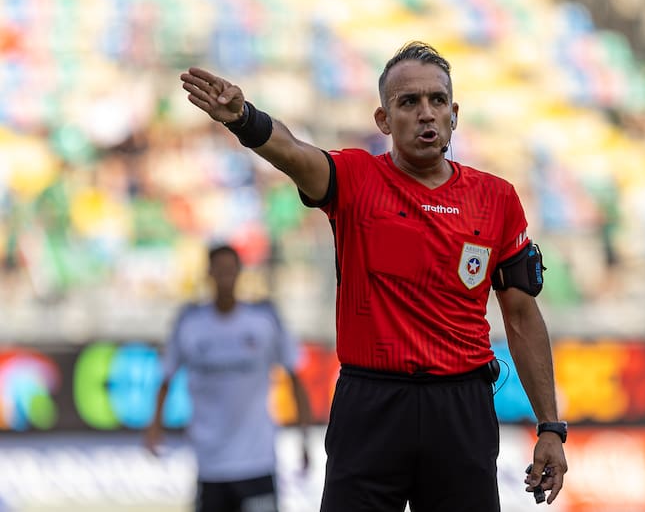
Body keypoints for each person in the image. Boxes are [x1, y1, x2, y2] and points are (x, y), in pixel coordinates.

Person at [178, 41, 568, 511]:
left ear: (454, 113)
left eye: (437, 100)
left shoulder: (496, 199)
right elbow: (293, 152)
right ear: (383, 120)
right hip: (371, 403)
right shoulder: (354, 179)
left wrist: (550, 426)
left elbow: (522, 317)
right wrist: (244, 118)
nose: (426, 113)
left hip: (461, 406)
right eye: (408, 102)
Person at [144, 244, 311, 512]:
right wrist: (154, 428)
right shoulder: (190, 323)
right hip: (211, 464)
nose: (225, 277)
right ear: (208, 273)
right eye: (219, 270)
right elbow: (166, 378)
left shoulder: (264, 319)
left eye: (230, 270)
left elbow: (294, 375)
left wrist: (304, 437)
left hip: (257, 461)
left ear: (240, 273)